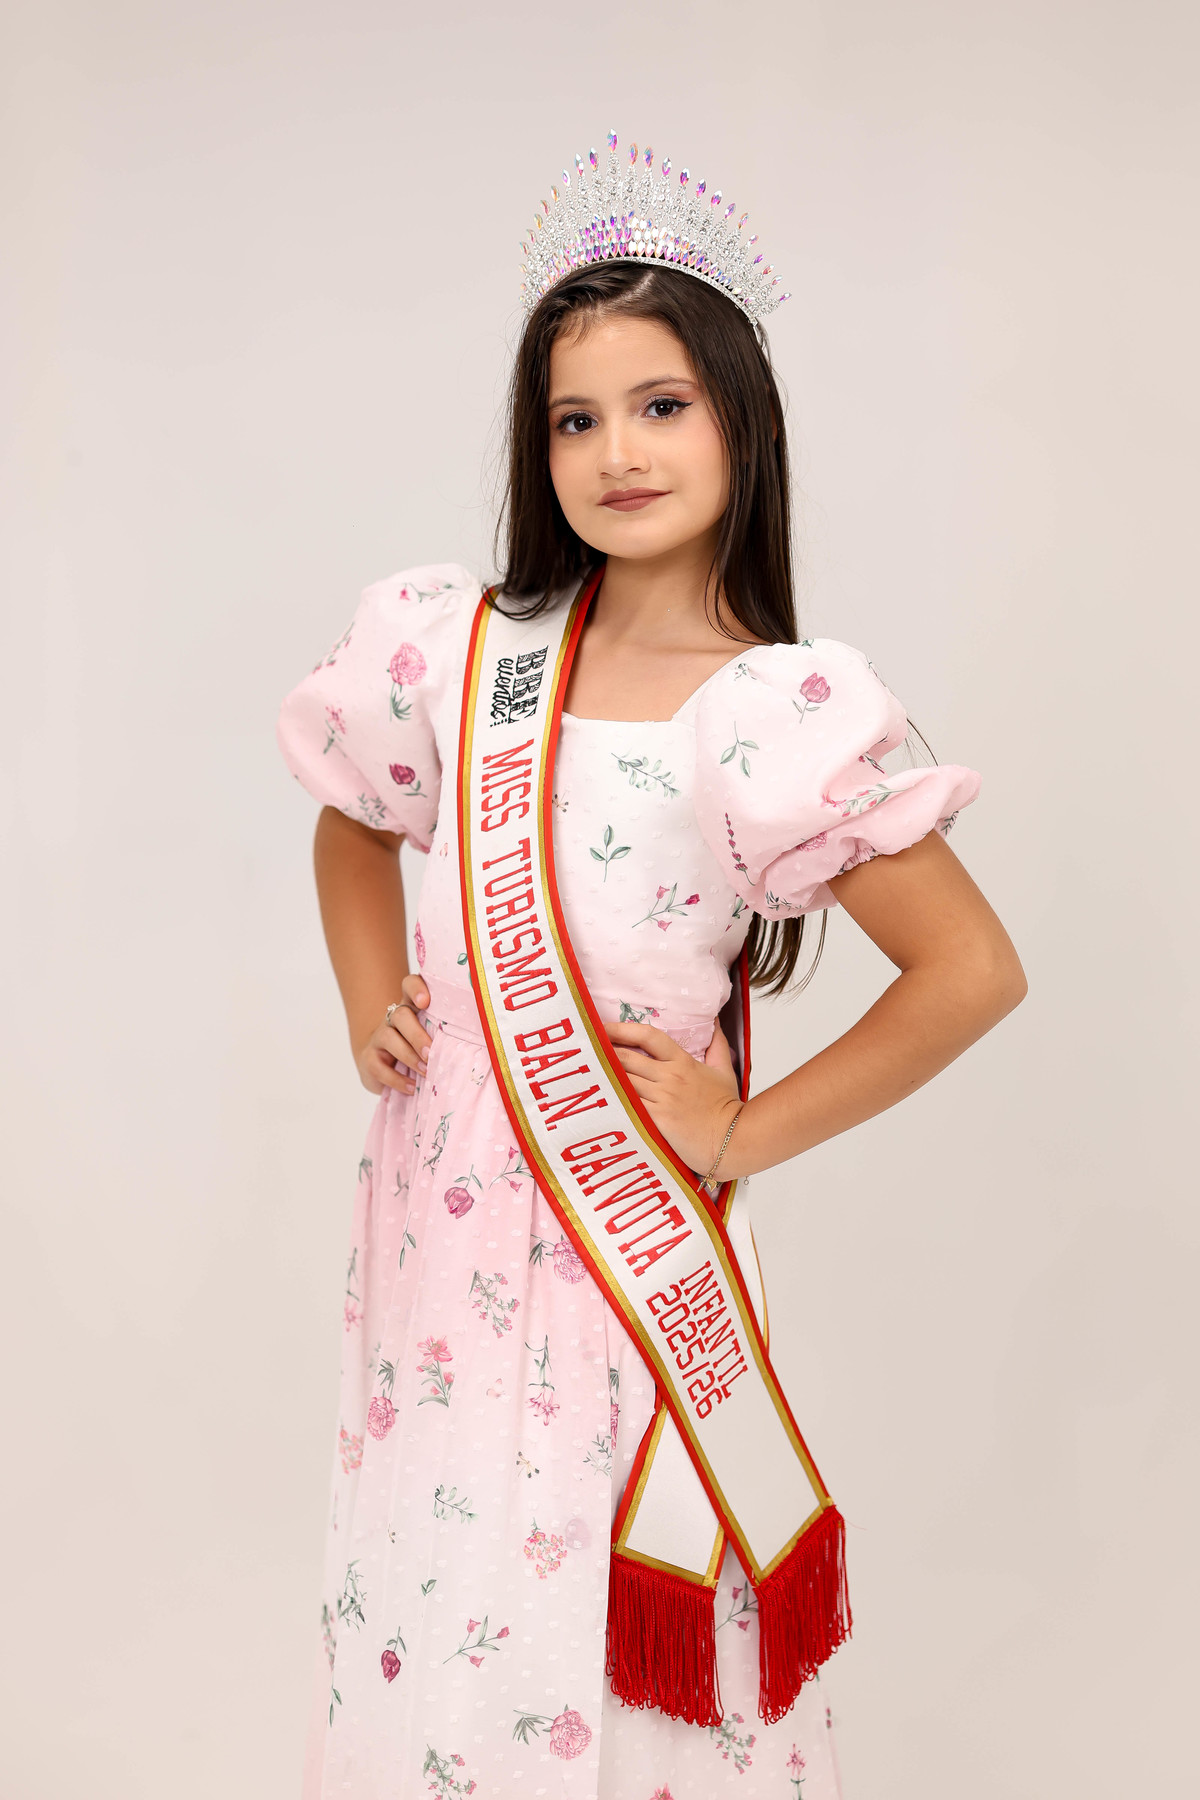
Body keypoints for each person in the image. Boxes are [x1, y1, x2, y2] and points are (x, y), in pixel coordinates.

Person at [276, 136, 1027, 1799]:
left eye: (662, 404)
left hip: (625, 1250)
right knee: (441, 1580)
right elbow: (351, 824)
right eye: (575, 419)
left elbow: (971, 968)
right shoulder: (462, 653)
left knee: (590, 1588)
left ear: (741, 421)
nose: (617, 451)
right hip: (442, 1225)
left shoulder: (768, 711)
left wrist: (746, 1130)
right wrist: (370, 1002)